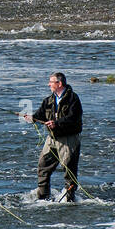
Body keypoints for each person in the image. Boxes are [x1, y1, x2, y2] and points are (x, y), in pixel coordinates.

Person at [21, 72, 82, 202]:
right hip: (51, 139)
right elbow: (40, 115)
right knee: (43, 166)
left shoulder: (73, 99)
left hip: (68, 139)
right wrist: (31, 118)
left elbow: (74, 118)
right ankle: (43, 198)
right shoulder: (48, 100)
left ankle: (69, 200)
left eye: (51, 82)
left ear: (59, 84)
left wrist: (57, 123)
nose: (49, 84)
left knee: (68, 170)